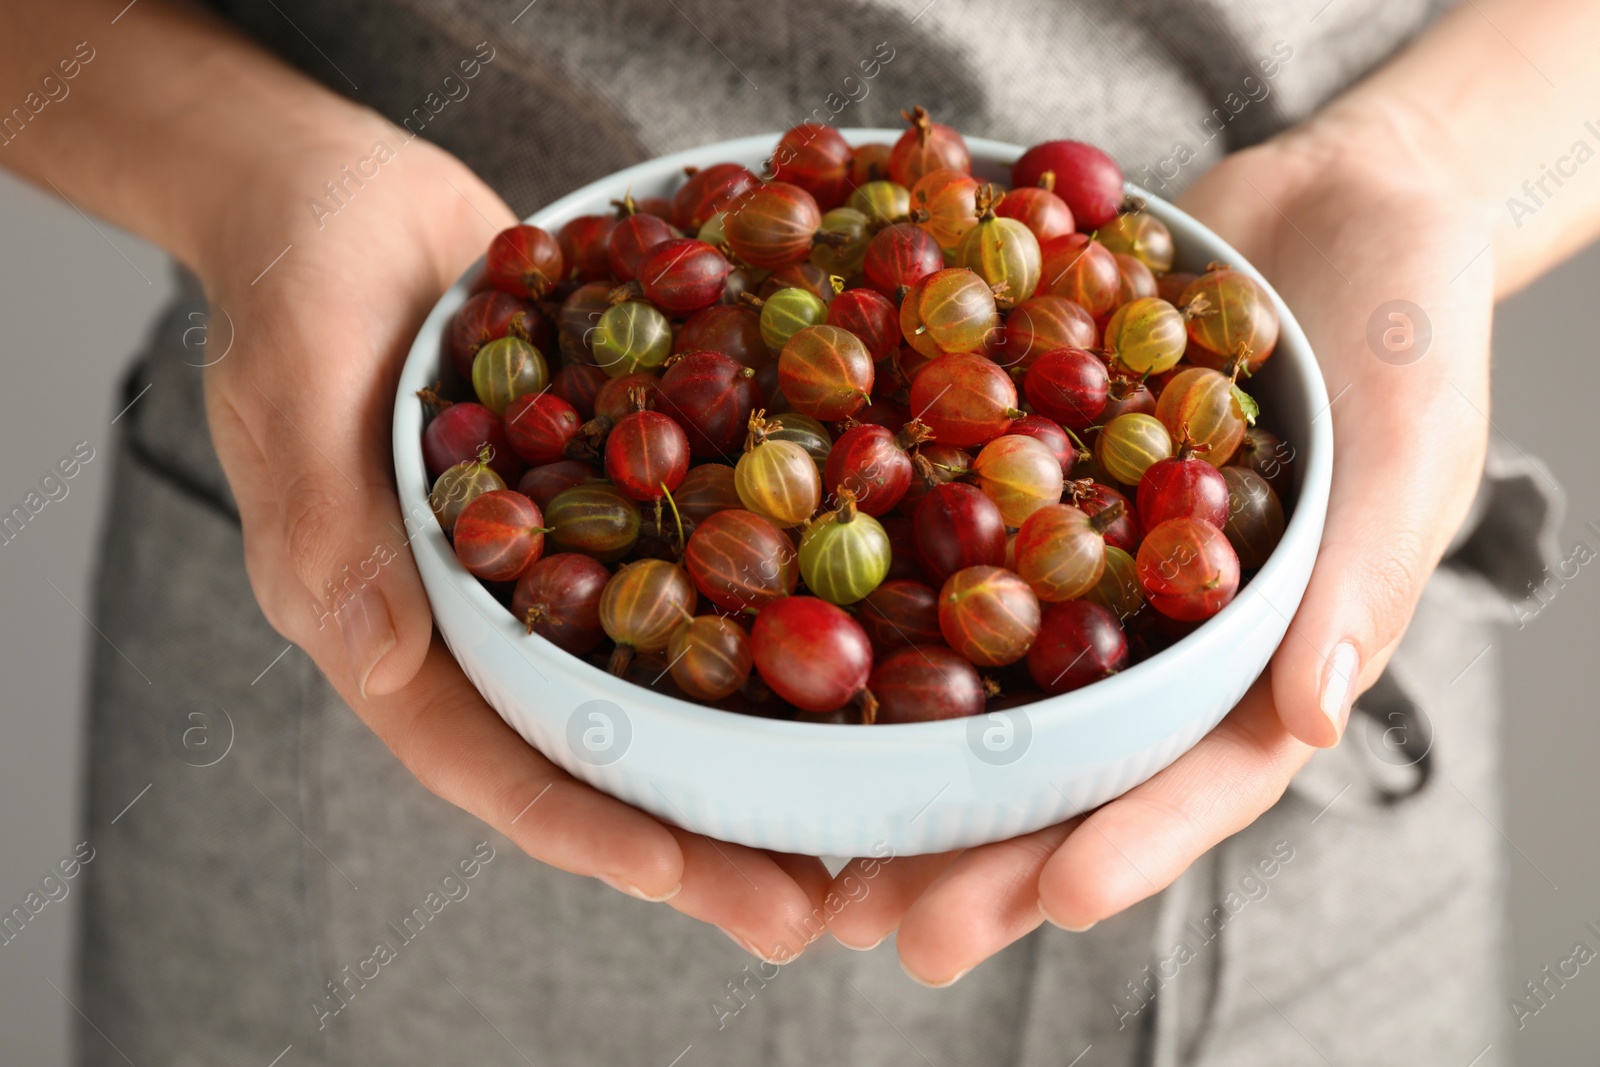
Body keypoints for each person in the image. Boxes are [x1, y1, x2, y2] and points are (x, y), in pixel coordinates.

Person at [2, 0, 1586, 1062]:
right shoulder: (704, 435)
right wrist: (249, 170)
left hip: (1301, 831)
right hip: (370, 695)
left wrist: (1421, 159)